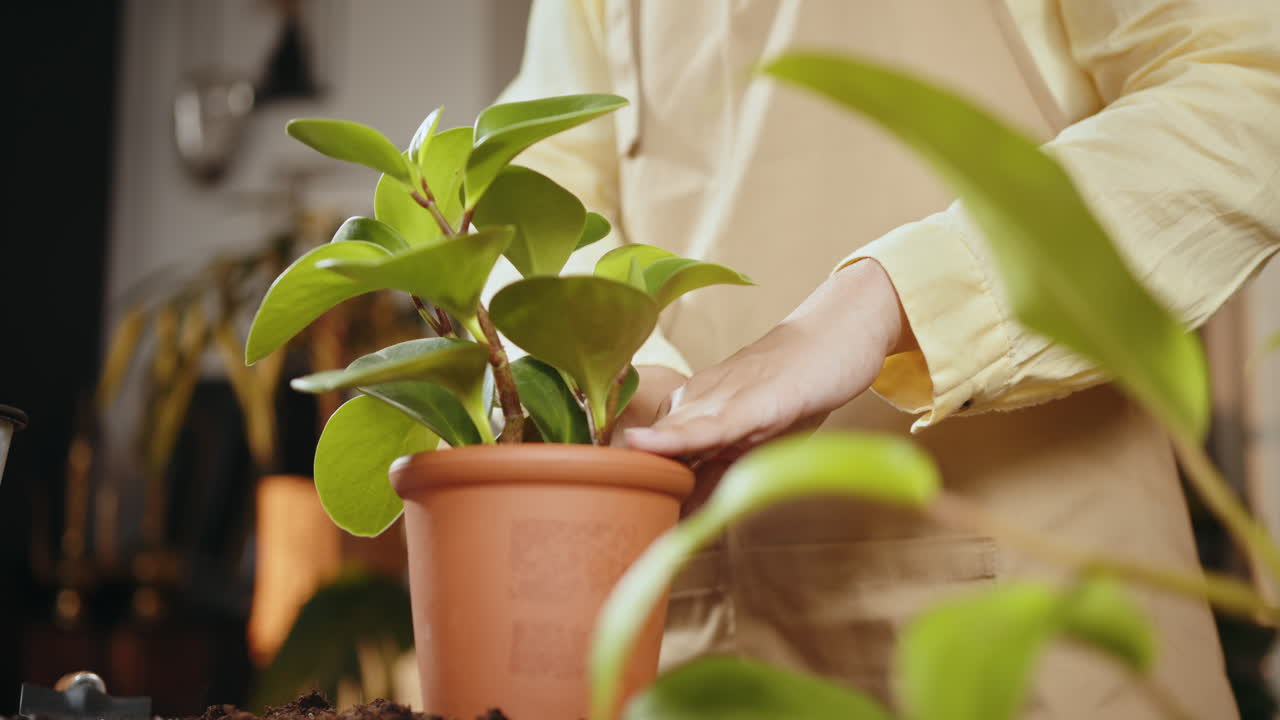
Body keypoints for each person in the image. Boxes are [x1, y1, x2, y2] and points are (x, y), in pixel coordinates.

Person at [489, 0, 1280, 717]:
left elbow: (1249, 88)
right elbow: (534, 180)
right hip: (698, 638)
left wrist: (887, 301)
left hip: (1034, 638)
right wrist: (625, 369)